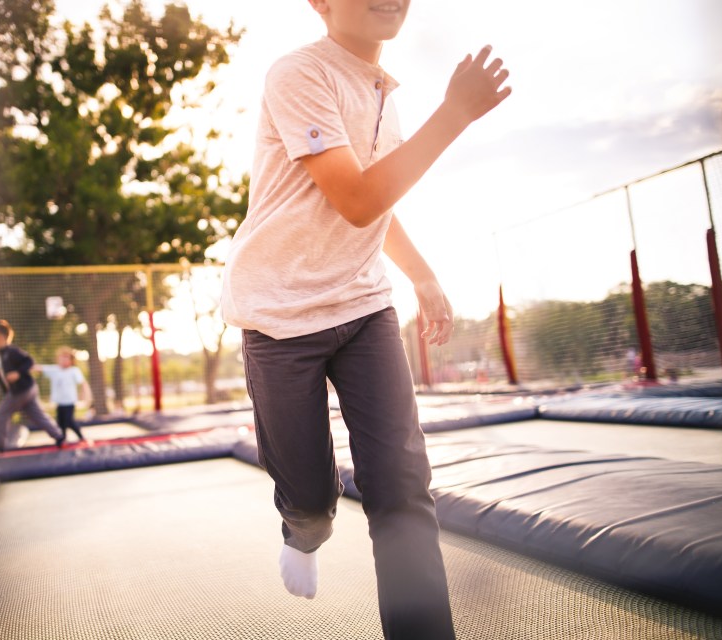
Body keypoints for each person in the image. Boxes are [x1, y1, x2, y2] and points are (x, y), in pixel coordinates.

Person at [221, 1, 511, 638]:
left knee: (403, 487)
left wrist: (422, 272)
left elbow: (377, 202)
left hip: (363, 307)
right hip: (280, 313)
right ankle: (303, 527)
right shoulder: (299, 73)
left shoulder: (384, 92)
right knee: (312, 499)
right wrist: (455, 113)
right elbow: (355, 200)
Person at [0, 320, 65, 451]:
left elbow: (29, 361)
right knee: (37, 415)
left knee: (1, 414)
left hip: (22, 390)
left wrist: (18, 373)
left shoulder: (12, 351)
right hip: (26, 390)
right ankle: (59, 436)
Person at [33, 346, 92, 445]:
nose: (64, 360)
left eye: (67, 358)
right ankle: (61, 440)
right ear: (58, 359)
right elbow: (39, 368)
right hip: (59, 402)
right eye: (62, 357)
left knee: (69, 421)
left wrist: (85, 396)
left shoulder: (74, 371)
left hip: (69, 402)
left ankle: (81, 438)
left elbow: (83, 383)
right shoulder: (54, 370)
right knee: (61, 423)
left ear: (71, 360)